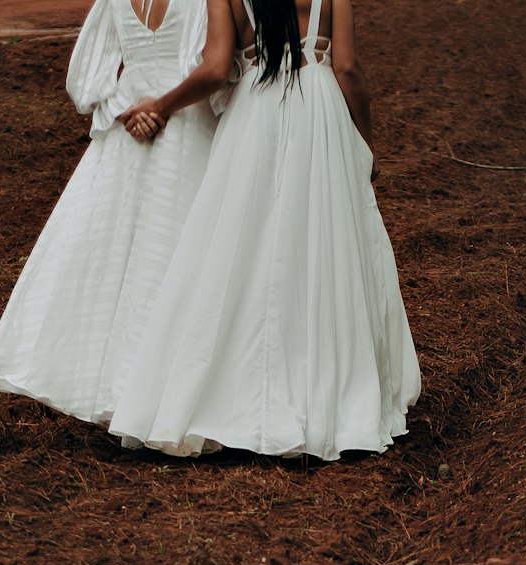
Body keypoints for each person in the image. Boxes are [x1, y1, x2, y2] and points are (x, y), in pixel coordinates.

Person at [107, 0, 420, 460]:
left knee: (242, 246)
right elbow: (348, 69)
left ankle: (232, 396)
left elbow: (215, 69)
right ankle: (329, 396)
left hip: (255, 113)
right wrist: (365, 143)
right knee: (323, 245)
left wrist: (161, 104)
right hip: (320, 113)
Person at [0, 0, 218, 425]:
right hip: (186, 117)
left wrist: (124, 110)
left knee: (115, 259)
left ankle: (120, 387)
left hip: (128, 127)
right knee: (181, 254)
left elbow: (87, 76)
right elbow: (218, 69)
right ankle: (168, 394)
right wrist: (158, 108)